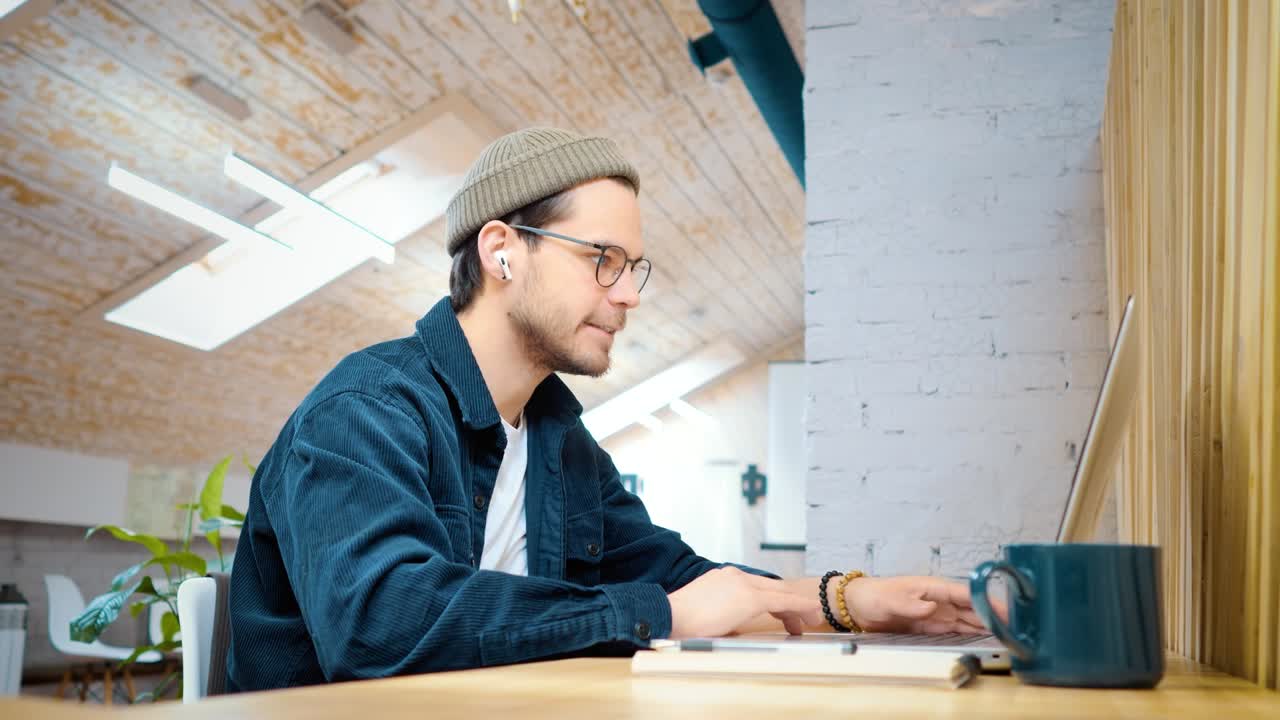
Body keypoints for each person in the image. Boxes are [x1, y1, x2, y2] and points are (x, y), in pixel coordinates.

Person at [226, 128, 987, 691]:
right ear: (501, 250)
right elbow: (380, 628)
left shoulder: (560, 439)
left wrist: (849, 600)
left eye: (632, 268)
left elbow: (680, 576)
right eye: (602, 260)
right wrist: (661, 614)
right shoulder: (365, 410)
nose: (627, 295)